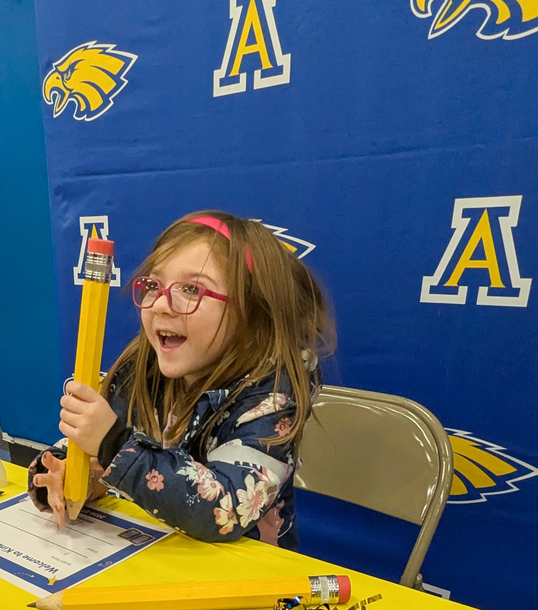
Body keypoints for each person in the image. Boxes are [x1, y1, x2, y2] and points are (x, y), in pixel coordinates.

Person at [28, 211, 335, 549]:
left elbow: (224, 510)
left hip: (244, 574)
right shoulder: (141, 365)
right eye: (153, 285)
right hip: (156, 553)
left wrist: (112, 444)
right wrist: (66, 475)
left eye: (191, 289)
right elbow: (79, 451)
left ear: (254, 311)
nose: (160, 304)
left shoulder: (275, 391)